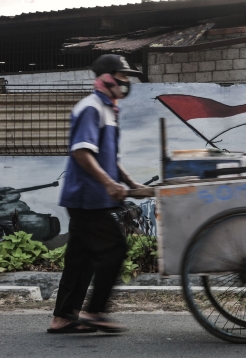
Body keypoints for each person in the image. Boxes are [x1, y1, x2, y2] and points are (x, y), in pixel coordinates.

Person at [47, 54, 145, 334]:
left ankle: (63, 317)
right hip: (86, 196)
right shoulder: (91, 107)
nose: (126, 83)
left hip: (90, 196)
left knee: (81, 258)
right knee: (115, 249)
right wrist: (109, 184)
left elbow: (109, 158)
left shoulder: (108, 109)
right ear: (106, 79)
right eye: (122, 76)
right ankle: (95, 311)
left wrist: (129, 182)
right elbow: (81, 152)